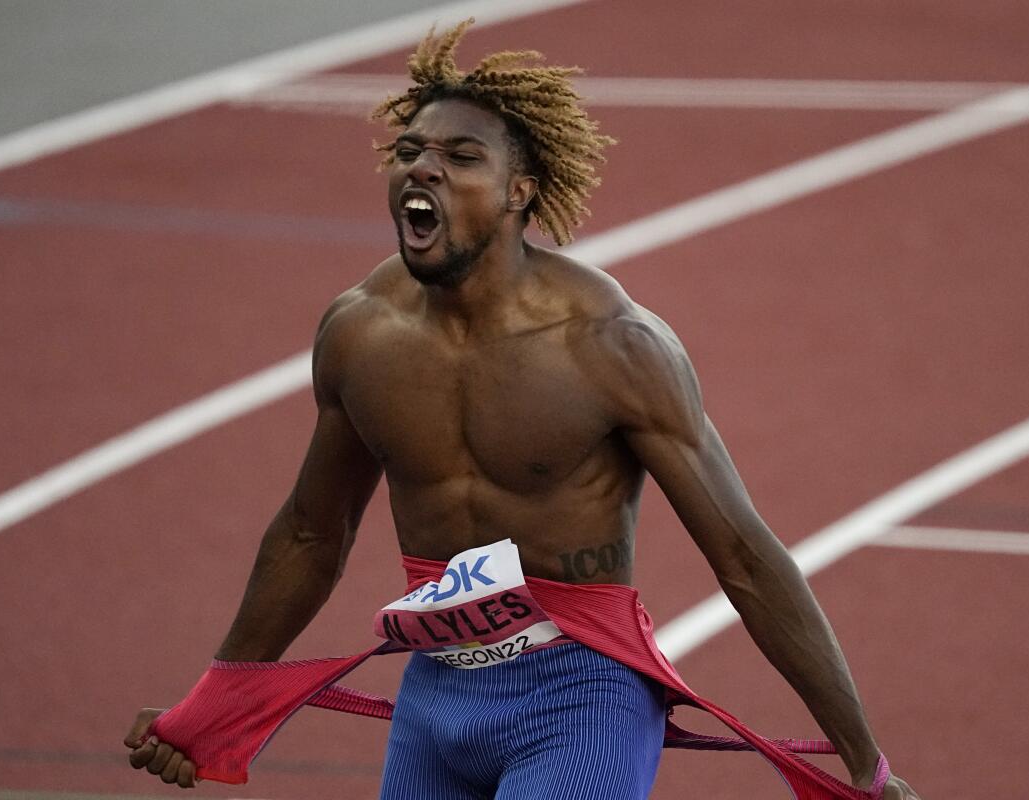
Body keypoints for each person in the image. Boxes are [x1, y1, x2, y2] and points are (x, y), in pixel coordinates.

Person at [124, 20, 921, 800]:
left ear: (520, 193)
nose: (423, 170)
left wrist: (863, 765)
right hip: (435, 698)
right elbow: (312, 532)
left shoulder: (609, 345)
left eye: (461, 158)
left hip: (581, 699)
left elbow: (745, 558)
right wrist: (214, 702)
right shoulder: (360, 334)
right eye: (410, 154)